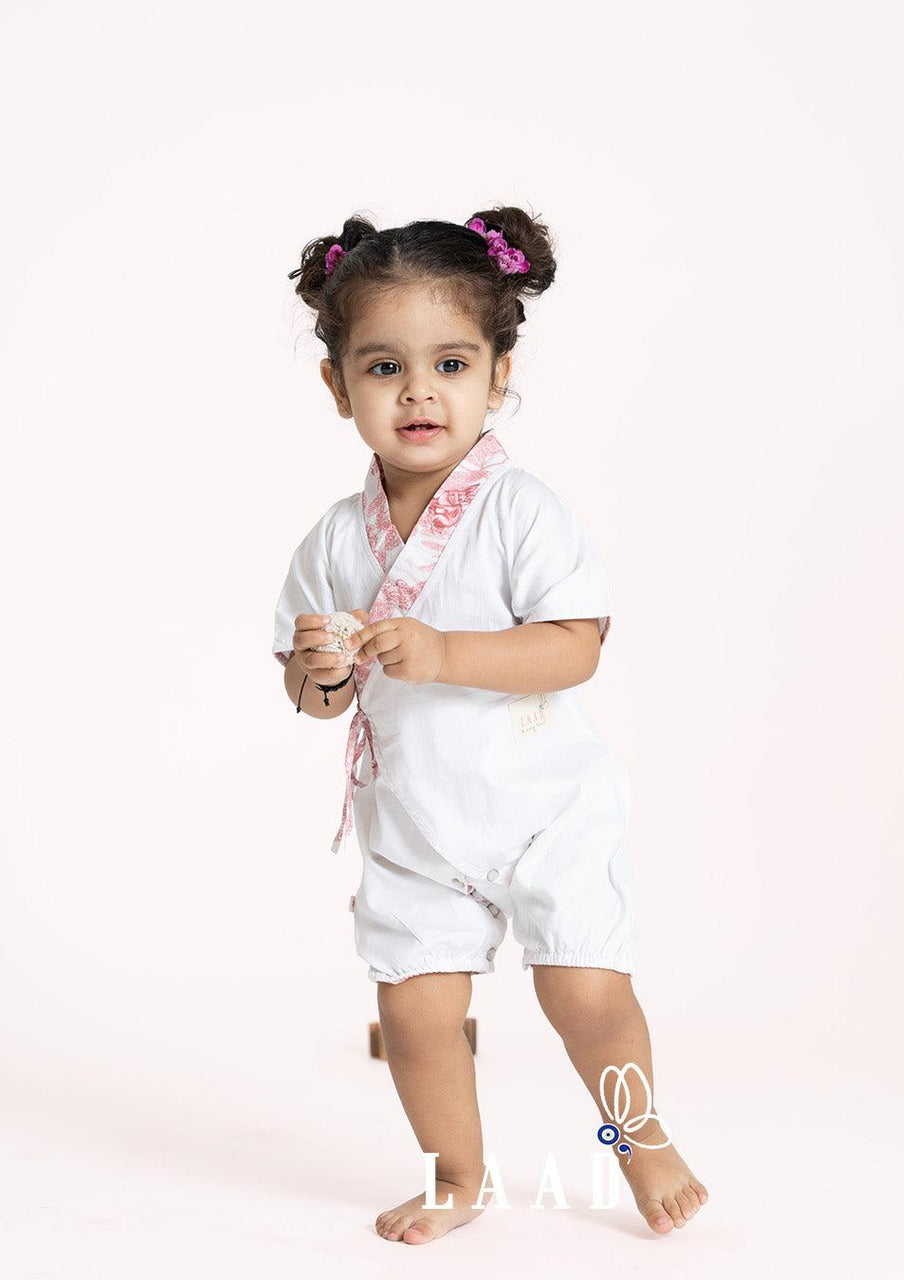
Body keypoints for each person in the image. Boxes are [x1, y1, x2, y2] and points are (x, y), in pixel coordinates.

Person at [271, 207, 709, 1244]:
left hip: (542, 805)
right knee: (414, 1013)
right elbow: (314, 697)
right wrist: (319, 673)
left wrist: (445, 653)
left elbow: (574, 646)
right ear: (337, 385)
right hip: (417, 823)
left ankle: (639, 1137)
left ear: (497, 375)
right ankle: (455, 1173)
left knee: (584, 991)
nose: (419, 391)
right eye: (384, 366)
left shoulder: (521, 511)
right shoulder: (334, 540)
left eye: (451, 363)